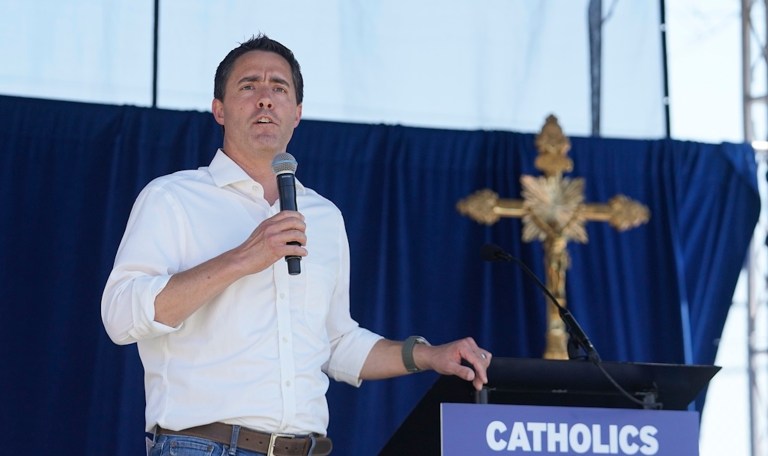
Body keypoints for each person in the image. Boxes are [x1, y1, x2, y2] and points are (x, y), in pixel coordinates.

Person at [101, 33, 491, 456]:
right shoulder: (172, 198)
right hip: (204, 446)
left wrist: (428, 356)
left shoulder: (324, 216)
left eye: (279, 88)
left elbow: (336, 343)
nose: (265, 99)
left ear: (298, 113)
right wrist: (242, 258)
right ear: (219, 110)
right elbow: (120, 316)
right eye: (249, 86)